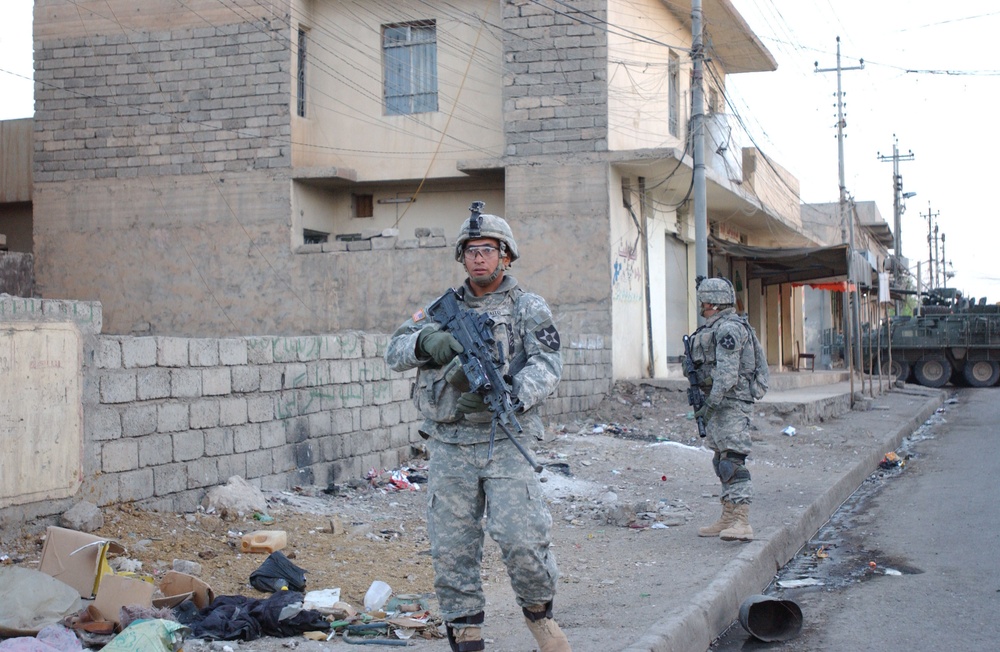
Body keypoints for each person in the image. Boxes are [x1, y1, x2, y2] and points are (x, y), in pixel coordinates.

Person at [384, 204, 569, 652]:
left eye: (488, 250)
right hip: (449, 442)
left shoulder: (527, 307)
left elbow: (548, 365)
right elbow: (394, 350)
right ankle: (466, 636)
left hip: (506, 439)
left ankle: (540, 617)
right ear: (461, 257)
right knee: (452, 548)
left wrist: (508, 393)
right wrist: (427, 342)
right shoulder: (439, 310)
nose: (479, 258)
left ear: (506, 256)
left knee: (522, 538)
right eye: (470, 251)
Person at [685, 277, 761, 542]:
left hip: (732, 403)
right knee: (721, 459)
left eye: (704, 303)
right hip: (720, 404)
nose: (702, 308)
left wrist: (709, 405)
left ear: (713, 303)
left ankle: (742, 521)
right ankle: (728, 516)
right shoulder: (717, 327)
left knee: (733, 461)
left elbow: (727, 376)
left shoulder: (729, 329)